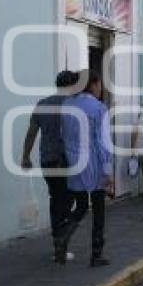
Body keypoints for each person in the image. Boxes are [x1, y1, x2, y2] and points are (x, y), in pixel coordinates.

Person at [21, 70, 77, 264]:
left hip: (48, 160)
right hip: (67, 161)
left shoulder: (42, 104)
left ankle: (57, 244)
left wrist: (25, 156)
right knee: (71, 202)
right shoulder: (73, 105)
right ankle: (62, 242)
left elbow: (31, 133)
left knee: (55, 200)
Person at [60, 70, 114, 267]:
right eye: (99, 84)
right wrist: (107, 169)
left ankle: (63, 235)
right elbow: (103, 141)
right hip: (94, 164)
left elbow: (63, 135)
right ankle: (96, 253)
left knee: (81, 206)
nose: (101, 89)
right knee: (98, 210)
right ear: (92, 85)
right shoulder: (98, 108)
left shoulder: (67, 105)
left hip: (74, 163)